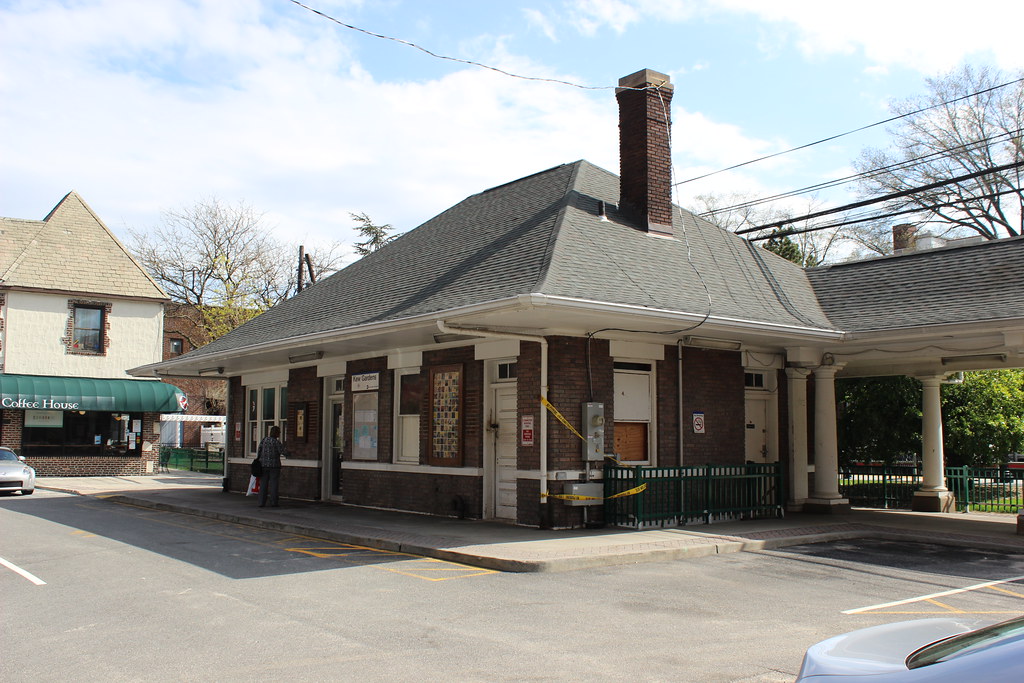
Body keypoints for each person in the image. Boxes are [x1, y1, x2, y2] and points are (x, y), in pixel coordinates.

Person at [256, 425, 286, 508]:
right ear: (276, 433)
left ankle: (261, 502)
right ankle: (274, 502)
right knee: (274, 484)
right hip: (274, 466)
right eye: (279, 432)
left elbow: (259, 451)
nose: (279, 434)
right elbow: (283, 451)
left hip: (263, 465)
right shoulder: (276, 442)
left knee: (263, 484)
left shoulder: (264, 440)